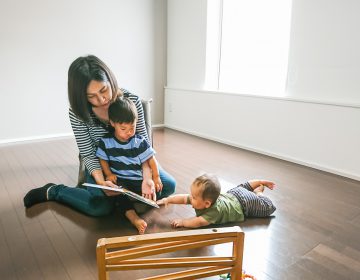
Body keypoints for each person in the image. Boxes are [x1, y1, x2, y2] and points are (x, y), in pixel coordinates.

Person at [23, 55, 176, 234]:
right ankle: (55, 191)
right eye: (92, 96)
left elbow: (144, 147)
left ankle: (123, 201)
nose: (102, 99)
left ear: (110, 80)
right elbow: (88, 153)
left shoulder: (131, 100)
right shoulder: (78, 113)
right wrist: (102, 181)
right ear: (81, 96)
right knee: (99, 208)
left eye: (104, 90)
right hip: (104, 166)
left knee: (168, 185)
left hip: (134, 164)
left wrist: (147, 177)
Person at [94, 97, 161, 233]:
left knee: (155, 191)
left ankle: (141, 203)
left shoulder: (138, 141)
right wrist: (108, 174)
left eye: (132, 127)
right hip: (121, 180)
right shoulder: (106, 142)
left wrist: (155, 177)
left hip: (138, 179)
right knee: (118, 195)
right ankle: (133, 217)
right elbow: (103, 160)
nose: (129, 132)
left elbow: (151, 160)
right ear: (113, 123)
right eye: (123, 128)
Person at [157, 174, 276, 228]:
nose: (190, 198)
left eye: (193, 197)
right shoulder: (200, 200)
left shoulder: (213, 212)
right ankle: (260, 181)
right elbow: (183, 198)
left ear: (207, 204)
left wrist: (183, 222)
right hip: (234, 194)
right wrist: (169, 199)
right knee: (243, 186)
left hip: (245, 204)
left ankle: (258, 193)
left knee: (268, 207)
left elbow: (197, 222)